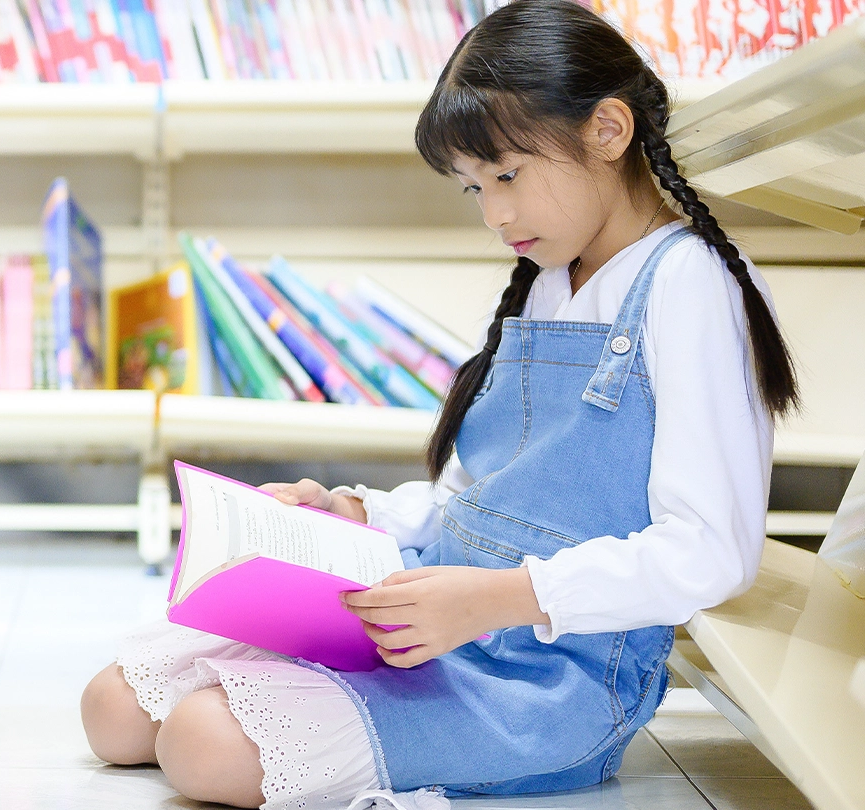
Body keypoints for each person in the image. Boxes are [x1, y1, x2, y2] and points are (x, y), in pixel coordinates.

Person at [80, 1, 798, 807]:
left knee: (200, 744)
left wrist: (497, 599)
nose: (495, 215)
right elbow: (472, 501)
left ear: (607, 130)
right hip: (437, 605)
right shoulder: (553, 279)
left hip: (550, 676)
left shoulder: (692, 283)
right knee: (112, 710)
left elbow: (712, 551)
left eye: (508, 175)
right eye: (473, 189)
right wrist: (356, 514)